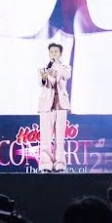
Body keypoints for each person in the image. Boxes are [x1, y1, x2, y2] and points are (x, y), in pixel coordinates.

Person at [38, 43, 73, 172]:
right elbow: (42, 83)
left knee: (60, 138)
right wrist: (45, 75)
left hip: (61, 105)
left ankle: (60, 164)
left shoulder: (65, 67)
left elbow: (66, 76)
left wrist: (57, 65)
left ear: (60, 54)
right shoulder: (43, 68)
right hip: (46, 105)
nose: (53, 54)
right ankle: (45, 164)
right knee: (45, 138)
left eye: (56, 52)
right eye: (51, 52)